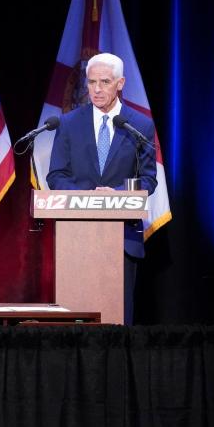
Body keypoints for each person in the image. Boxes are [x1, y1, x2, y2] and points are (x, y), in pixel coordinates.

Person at [46, 52, 157, 323]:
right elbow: (56, 175)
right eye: (91, 82)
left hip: (121, 239)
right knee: (77, 320)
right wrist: (85, 198)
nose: (96, 89)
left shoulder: (138, 125)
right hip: (77, 236)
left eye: (105, 82)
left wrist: (117, 197)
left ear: (120, 83)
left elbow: (149, 179)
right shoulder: (69, 123)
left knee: (118, 319)